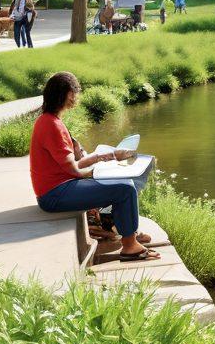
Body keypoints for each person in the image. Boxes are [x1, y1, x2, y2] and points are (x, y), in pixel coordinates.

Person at [30, 72, 159, 261]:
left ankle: (126, 231)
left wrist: (105, 157)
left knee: (123, 183)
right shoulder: (52, 125)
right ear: (64, 94)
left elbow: (71, 165)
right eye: (73, 92)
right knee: (124, 189)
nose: (75, 97)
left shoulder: (50, 120)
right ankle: (130, 245)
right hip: (55, 195)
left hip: (57, 189)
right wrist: (99, 173)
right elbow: (75, 170)